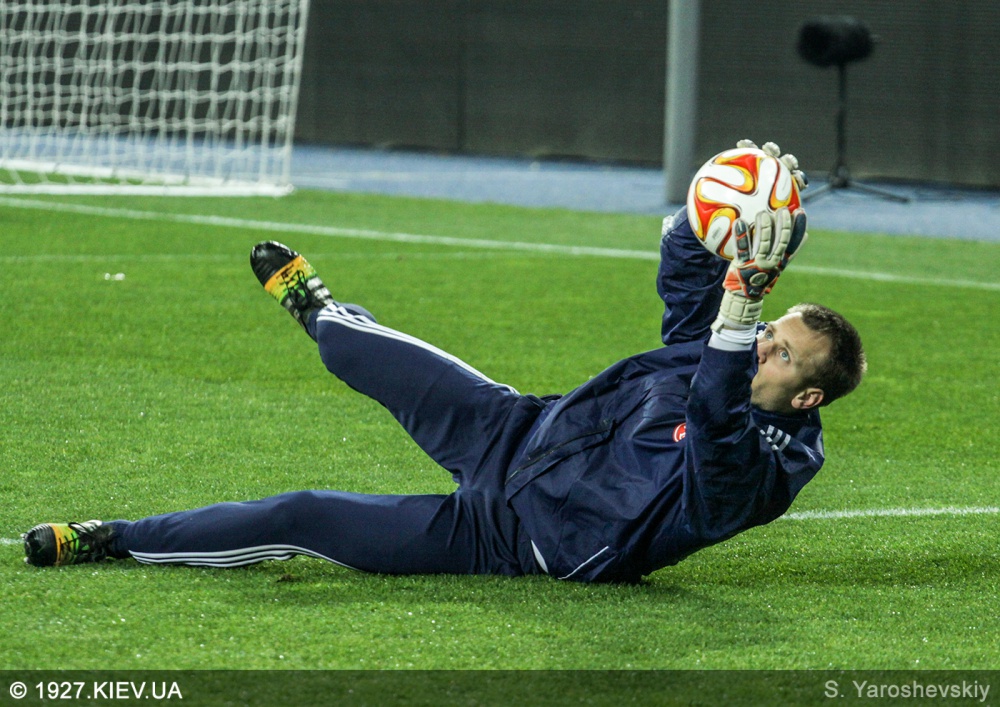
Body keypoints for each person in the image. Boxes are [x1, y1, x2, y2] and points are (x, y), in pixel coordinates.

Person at [22, 141, 865, 584]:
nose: (762, 342)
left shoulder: (764, 473)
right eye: (769, 328)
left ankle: (113, 539)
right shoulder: (727, 347)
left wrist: (743, 302)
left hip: (512, 538)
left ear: (808, 396)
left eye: (782, 351)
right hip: (516, 427)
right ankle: (318, 307)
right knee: (351, 346)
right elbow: (686, 276)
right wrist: (718, 200)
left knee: (303, 514)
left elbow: (714, 428)